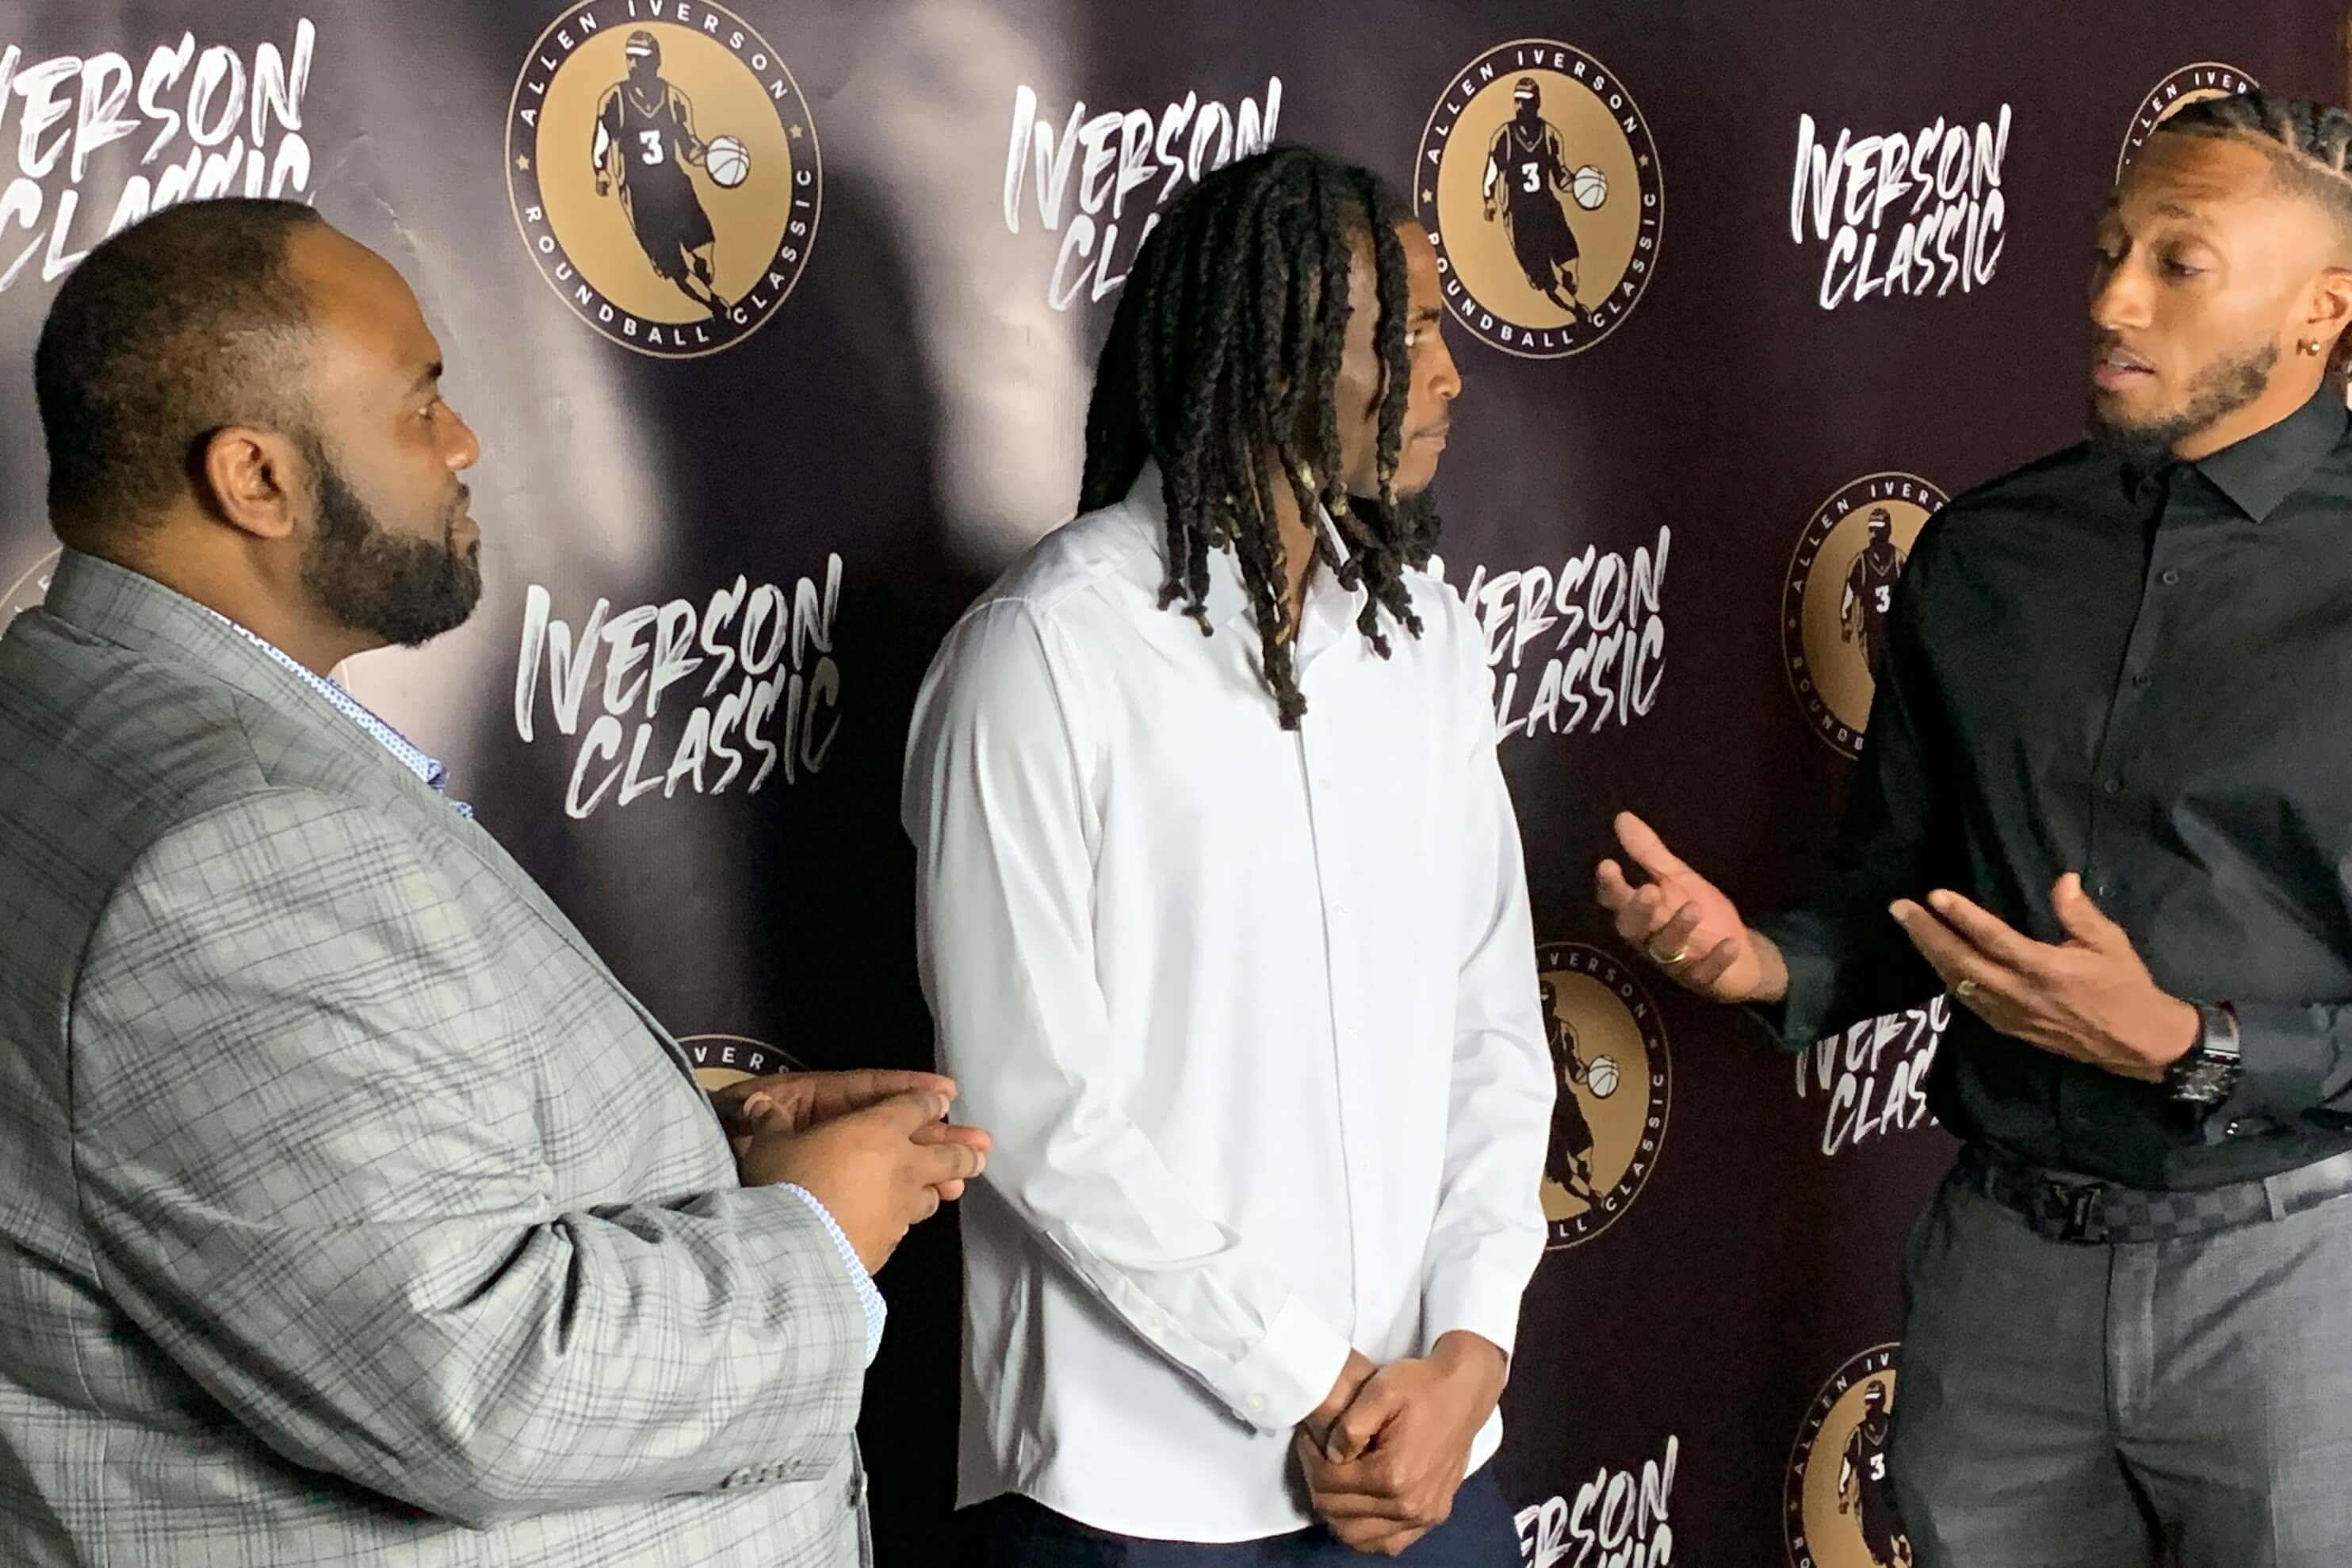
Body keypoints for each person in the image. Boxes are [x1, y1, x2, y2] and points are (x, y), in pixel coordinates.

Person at [0, 197, 989, 1567]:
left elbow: (272, 1165)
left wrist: (709, 1126)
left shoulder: (68, 702)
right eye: (419, 405)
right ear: (256, 479)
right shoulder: (237, 847)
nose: (465, 445)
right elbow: (486, 1388)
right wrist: (815, 1230)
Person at [1597, 92, 2352, 1567]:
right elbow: (1912, 877)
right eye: (2105, 249)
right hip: (2001, 1283)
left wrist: (2190, 1041)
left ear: (2326, 305)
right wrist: (1769, 963)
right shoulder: (1988, 553)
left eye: (2177, 263)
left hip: (2300, 1279)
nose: (2112, 297)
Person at [904, 146, 1553, 1563]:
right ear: (1274, 355)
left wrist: (1468, 1353)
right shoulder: (1044, 656)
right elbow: (1031, 1099)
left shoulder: (1426, 641)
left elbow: (1494, 1028)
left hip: (1429, 1462)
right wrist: (1317, 1384)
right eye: (1409, 336)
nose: (1449, 375)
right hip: (1139, 1482)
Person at [592, 29, 727, 318]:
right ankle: (713, 304)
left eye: (641, 58)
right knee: (673, 266)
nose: (634, 64)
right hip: (639, 195)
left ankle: (704, 273)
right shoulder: (615, 98)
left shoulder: (675, 98)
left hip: (675, 184)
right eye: (630, 57)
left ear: (656, 61)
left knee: (705, 250)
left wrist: (711, 158)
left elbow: (689, 146)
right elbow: (602, 137)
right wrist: (600, 169)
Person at [1482, 77, 1584, 318]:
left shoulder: (1550, 135)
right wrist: (1488, 198)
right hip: (1520, 218)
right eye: (1517, 101)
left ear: (1537, 103)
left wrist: (1579, 185)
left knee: (1571, 261)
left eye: (1526, 101)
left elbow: (1561, 177)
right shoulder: (1504, 136)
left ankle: (1570, 286)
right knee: (1545, 280)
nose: (1520, 106)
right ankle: (1579, 312)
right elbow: (1491, 172)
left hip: (1547, 207)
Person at [1541, 979, 1601, 1206]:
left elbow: (1577, 1072)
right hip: (1539, 1111)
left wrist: (1595, 1075)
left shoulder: (1563, 1030)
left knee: (1584, 1155)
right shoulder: (1514, 1031)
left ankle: (1588, 1190)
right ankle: (1590, 1197)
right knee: (1564, 1172)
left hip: (1563, 1102)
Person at [1838, 506, 1903, 680]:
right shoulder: (1897, 558)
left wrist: (1846, 621)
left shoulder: (1863, 562)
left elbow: (1849, 596)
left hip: (1881, 630)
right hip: (1879, 629)